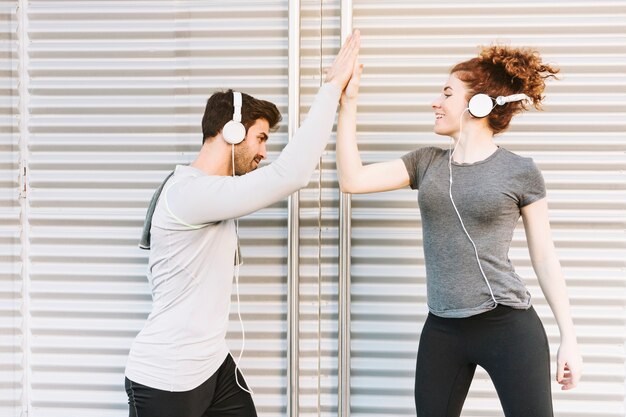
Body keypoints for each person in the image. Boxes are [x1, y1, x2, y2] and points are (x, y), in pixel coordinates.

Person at [336, 44, 582, 416]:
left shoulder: (520, 171)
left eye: (448, 94)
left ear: (480, 105)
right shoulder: (426, 163)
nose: (435, 102)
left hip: (508, 325)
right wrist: (348, 103)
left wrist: (570, 337)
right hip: (443, 328)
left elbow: (544, 256)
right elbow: (352, 180)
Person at [124, 31, 361, 417]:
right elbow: (291, 175)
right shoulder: (188, 193)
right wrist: (332, 88)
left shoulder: (209, 191)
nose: (264, 153)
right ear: (231, 133)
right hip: (167, 377)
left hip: (212, 366)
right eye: (261, 139)